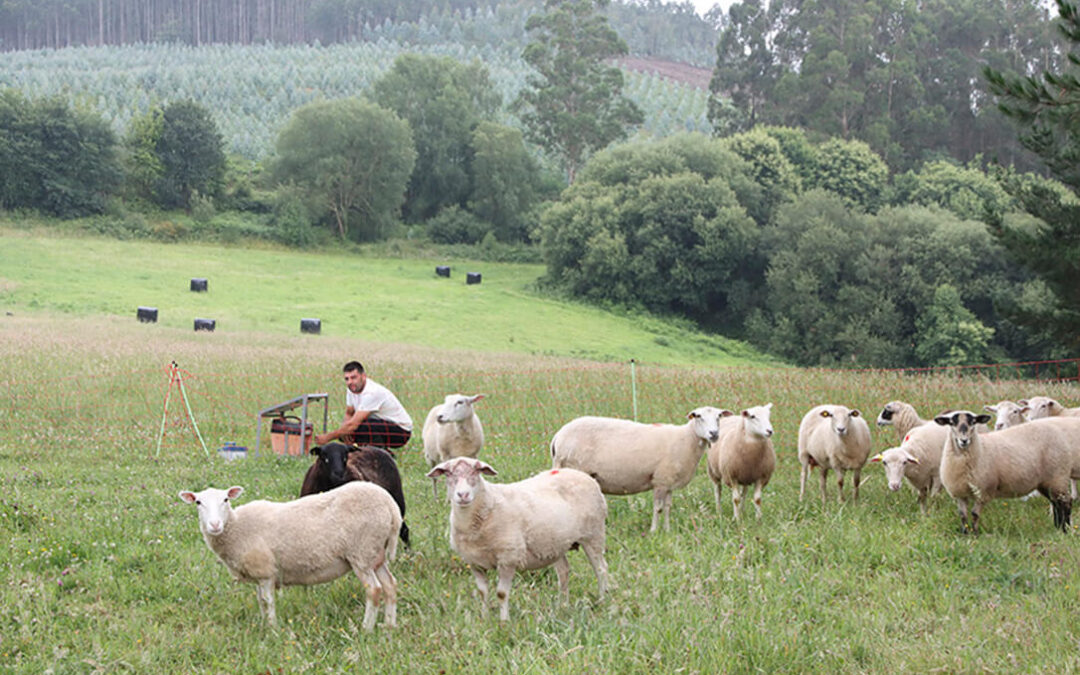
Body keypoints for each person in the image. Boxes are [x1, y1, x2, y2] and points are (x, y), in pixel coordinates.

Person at [313, 361, 413, 449]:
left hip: (401, 431)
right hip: (381, 424)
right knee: (348, 431)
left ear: (363, 376)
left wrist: (328, 437)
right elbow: (349, 413)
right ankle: (369, 451)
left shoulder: (372, 392)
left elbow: (353, 424)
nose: (350, 382)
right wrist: (344, 434)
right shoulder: (352, 389)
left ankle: (377, 454)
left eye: (353, 377)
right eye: (347, 379)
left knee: (362, 427)